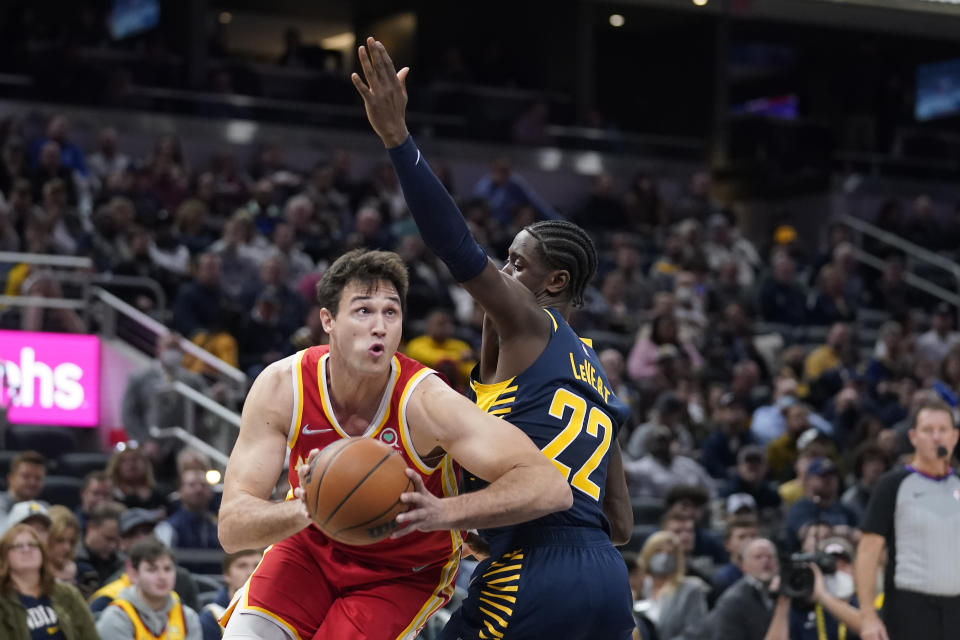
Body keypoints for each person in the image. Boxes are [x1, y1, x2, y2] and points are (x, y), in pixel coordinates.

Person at [354, 39, 635, 639]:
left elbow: (455, 247)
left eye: (517, 264)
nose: (505, 275)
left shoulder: (531, 321)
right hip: (608, 580)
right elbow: (621, 522)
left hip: (531, 572)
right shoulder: (602, 382)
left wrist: (400, 143)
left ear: (553, 282)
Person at [217, 248, 572, 640]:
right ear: (328, 320)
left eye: (391, 312)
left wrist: (444, 512)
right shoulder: (284, 384)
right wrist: (308, 507)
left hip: (402, 572)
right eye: (363, 311)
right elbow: (232, 529)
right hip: (310, 549)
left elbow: (550, 485)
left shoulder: (426, 402)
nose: (380, 326)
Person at [856, 398, 960, 640]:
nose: (937, 437)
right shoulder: (893, 485)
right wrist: (868, 614)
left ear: (954, 437)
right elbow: (867, 552)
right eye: (928, 430)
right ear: (913, 437)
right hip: (910, 610)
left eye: (943, 430)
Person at [89, 507, 200, 616]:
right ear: (121, 542)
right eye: (134, 534)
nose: (143, 538)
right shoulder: (109, 593)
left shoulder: (182, 579)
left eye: (147, 531)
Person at [0, 524, 99, 640]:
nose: (26, 550)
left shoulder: (67, 593)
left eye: (32, 545)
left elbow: (90, 636)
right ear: (4, 556)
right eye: (18, 546)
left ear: (42, 552)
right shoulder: (3, 602)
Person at [96, 538, 202, 640]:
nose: (162, 576)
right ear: (134, 575)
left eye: (167, 569)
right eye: (152, 569)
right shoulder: (116, 618)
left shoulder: (187, 617)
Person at [711, 538, 791, 640]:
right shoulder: (732, 600)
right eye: (758, 557)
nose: (766, 561)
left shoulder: (792, 591)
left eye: (770, 556)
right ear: (743, 565)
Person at [633, 531, 708, 640]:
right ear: (648, 554)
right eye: (658, 551)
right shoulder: (635, 586)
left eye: (671, 553)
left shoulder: (690, 589)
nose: (664, 557)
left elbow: (697, 632)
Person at [199, 550, 262, 640]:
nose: (250, 572)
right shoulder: (211, 617)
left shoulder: (277, 610)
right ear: (226, 575)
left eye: (257, 565)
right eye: (242, 566)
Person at [154, 468, 219, 550]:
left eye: (204, 485)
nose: (199, 489)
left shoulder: (217, 526)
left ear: (211, 492)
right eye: (192, 485)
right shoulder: (168, 528)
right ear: (180, 491)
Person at [75, 502, 125, 599]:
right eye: (108, 538)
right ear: (91, 527)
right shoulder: (71, 558)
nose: (113, 546)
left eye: (118, 540)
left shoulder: (123, 565)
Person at [0, 451, 46, 520]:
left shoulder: (43, 507)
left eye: (38, 478)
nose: (32, 482)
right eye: (26, 476)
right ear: (10, 478)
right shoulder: (1, 503)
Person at [46, 506, 80, 584]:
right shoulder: (33, 575)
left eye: (72, 541)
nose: (67, 548)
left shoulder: (83, 573)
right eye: (60, 540)